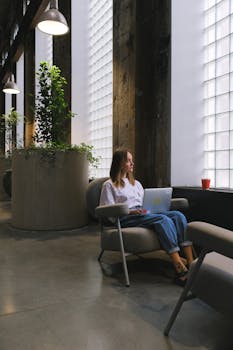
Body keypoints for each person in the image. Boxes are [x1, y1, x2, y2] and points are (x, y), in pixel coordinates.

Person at [99, 148, 194, 286]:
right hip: (126, 217)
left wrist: (153, 207)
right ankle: (180, 268)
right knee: (163, 220)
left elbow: (145, 202)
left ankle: (191, 264)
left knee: (178, 215)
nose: (132, 163)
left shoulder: (136, 183)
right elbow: (106, 210)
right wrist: (131, 212)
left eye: (132, 160)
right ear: (120, 163)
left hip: (143, 213)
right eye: (129, 161)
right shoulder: (109, 185)